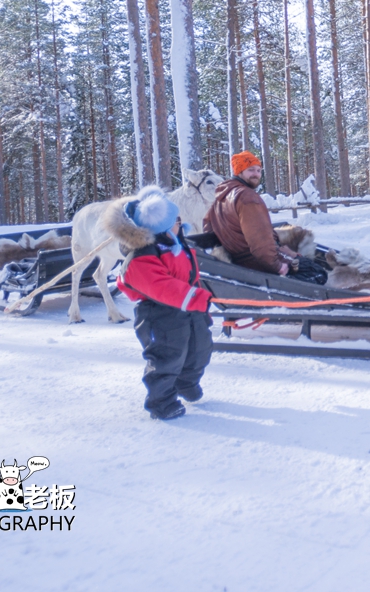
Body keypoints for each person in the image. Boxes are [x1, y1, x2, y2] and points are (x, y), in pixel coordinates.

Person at [110, 186, 212, 421]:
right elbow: (162, 287)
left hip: (188, 309)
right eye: (176, 220)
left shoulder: (176, 242)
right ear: (162, 227)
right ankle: (161, 401)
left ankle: (186, 383)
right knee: (167, 358)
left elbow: (188, 274)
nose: (181, 222)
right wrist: (194, 298)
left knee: (200, 349)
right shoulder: (141, 258)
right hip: (160, 314)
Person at [204, 151, 324, 282]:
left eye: (258, 170)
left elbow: (208, 228)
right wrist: (278, 266)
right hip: (256, 263)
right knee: (318, 272)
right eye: (250, 170)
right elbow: (259, 240)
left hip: (239, 261)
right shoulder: (247, 197)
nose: (256, 174)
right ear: (239, 171)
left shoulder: (220, 198)